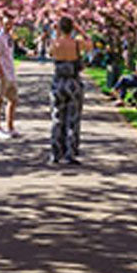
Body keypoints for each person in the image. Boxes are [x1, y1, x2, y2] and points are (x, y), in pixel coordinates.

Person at [50, 16, 85, 164]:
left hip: (58, 83)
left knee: (57, 117)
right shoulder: (77, 44)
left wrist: (57, 33)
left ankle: (56, 153)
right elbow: (90, 44)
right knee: (73, 119)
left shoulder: (55, 44)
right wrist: (80, 30)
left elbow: (50, 52)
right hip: (73, 83)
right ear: (72, 28)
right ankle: (70, 152)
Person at [0, 17, 19, 139]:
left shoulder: (9, 37)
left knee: (13, 99)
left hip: (10, 73)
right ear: (1, 24)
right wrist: (1, 73)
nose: (9, 26)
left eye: (11, 23)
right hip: (1, 74)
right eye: (7, 23)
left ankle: (10, 127)